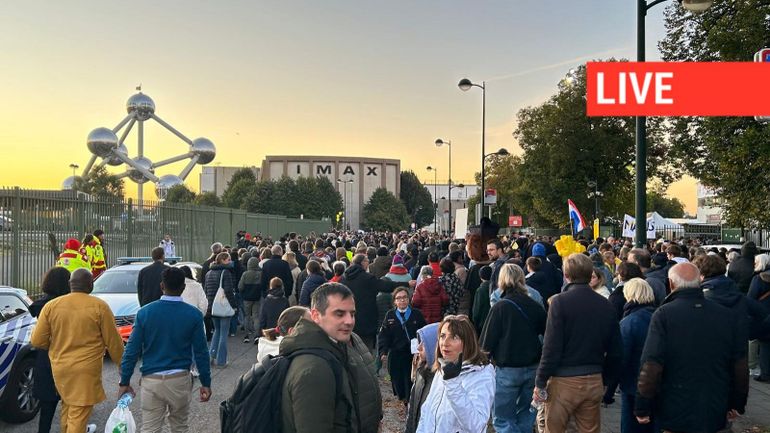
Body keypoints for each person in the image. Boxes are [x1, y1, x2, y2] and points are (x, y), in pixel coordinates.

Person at [634, 262, 748, 432]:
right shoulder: (726, 316)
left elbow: (652, 363)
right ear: (699, 282)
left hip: (674, 402)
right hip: (714, 403)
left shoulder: (665, 315)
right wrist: (737, 403)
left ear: (671, 284)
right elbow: (739, 364)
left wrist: (642, 405)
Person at [533, 253, 622, 433]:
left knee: (554, 428)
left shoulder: (559, 302)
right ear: (591, 274)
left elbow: (551, 346)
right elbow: (616, 350)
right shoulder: (605, 304)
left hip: (563, 380)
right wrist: (606, 380)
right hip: (594, 377)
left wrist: (540, 380)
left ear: (566, 275)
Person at [30, 269, 124, 433]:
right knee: (79, 414)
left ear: (70, 284)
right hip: (85, 371)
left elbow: (37, 341)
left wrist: (56, 346)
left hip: (59, 369)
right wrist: (123, 367)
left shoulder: (51, 306)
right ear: (91, 285)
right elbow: (114, 342)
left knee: (69, 408)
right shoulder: (99, 306)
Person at [119, 267, 212, 432]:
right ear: (183, 288)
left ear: (162, 286)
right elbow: (201, 352)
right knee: (179, 426)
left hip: (151, 379)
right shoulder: (194, 315)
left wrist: (124, 381)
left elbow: (131, 351)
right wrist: (206, 382)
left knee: (150, 428)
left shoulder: (145, 313)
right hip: (180, 379)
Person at [280, 283, 361, 433]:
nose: (349, 321)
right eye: (339, 314)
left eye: (352, 313)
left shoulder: (331, 349)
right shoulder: (314, 369)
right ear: (316, 315)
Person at [481, 263, 546, 433]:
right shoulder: (535, 305)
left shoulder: (500, 307)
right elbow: (546, 334)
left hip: (507, 368)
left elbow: (487, 342)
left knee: (502, 419)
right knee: (526, 414)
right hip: (532, 367)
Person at [416, 315, 496, 433]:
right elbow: (426, 413)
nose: (445, 343)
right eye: (442, 336)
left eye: (454, 337)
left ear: (467, 342)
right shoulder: (443, 366)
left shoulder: (482, 374)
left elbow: (476, 426)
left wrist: (453, 383)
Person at [28, 267, 70, 433]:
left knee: (47, 409)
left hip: (46, 359)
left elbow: (37, 338)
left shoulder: (41, 305)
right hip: (68, 356)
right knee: (72, 408)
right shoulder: (70, 304)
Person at [617, 278, 656, 433]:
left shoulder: (629, 322)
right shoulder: (659, 315)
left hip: (633, 383)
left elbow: (622, 357)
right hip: (656, 382)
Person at [378, 287, 427, 404]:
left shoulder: (416, 314)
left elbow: (423, 332)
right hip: (396, 353)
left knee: (411, 379)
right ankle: (402, 396)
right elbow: (384, 335)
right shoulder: (390, 315)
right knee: (397, 378)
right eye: (399, 298)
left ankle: (410, 400)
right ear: (395, 301)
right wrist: (383, 351)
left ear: (409, 299)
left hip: (412, 354)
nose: (402, 300)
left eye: (404, 297)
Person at [404, 323, 439, 433]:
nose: (418, 347)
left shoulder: (441, 380)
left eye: (424, 343)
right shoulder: (421, 372)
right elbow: (412, 409)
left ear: (435, 345)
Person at [204, 252, 237, 368]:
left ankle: (211, 357)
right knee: (223, 333)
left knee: (217, 331)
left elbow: (206, 290)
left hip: (212, 306)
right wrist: (234, 305)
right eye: (228, 259)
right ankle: (221, 361)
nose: (230, 261)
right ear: (222, 260)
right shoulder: (226, 272)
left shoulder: (209, 273)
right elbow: (228, 290)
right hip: (223, 306)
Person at [748, 253, 770, 382]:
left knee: (765, 344)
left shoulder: (759, 278)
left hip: (764, 315)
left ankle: (765, 373)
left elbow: (751, 298)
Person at [238, 256, 263, 344]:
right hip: (257, 297)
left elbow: (240, 287)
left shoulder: (245, 274)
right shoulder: (260, 274)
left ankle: (246, 336)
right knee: (256, 316)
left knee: (247, 316)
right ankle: (256, 336)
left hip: (247, 298)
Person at [470, 265, 493, 335]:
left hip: (482, 322)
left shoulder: (480, 290)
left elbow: (476, 309)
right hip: (492, 319)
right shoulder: (495, 287)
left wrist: (474, 321)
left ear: (480, 277)